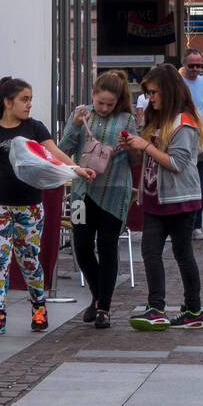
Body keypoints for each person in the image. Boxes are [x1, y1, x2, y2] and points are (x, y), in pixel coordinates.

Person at [0, 76, 95, 335]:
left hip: (29, 205)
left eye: (30, 99)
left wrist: (76, 168)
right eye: (24, 99)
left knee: (28, 259)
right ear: (8, 102)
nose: (29, 104)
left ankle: (39, 306)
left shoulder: (35, 128)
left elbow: (54, 153)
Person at [119, 64, 203, 329]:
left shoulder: (184, 122)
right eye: (147, 93)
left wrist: (144, 145)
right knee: (150, 252)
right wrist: (133, 148)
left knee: (182, 253)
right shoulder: (156, 119)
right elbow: (147, 159)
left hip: (180, 199)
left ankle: (193, 309)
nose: (150, 98)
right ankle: (156, 307)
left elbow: (177, 163)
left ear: (168, 91)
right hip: (155, 197)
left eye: (153, 92)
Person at [58, 70, 137, 328]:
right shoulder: (80, 114)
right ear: (92, 94)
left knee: (107, 245)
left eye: (109, 104)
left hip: (115, 191)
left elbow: (135, 159)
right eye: (100, 102)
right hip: (81, 192)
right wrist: (75, 125)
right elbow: (62, 150)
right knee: (81, 246)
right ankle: (97, 294)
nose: (103, 108)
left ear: (118, 101)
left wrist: (131, 146)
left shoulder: (127, 119)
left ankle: (104, 307)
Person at [179, 50, 203, 239]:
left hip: (201, 138)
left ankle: (196, 226)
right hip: (182, 137)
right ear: (183, 63)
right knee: (183, 183)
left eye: (198, 65)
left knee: (200, 185)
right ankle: (182, 225)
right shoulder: (177, 82)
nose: (195, 69)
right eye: (191, 65)